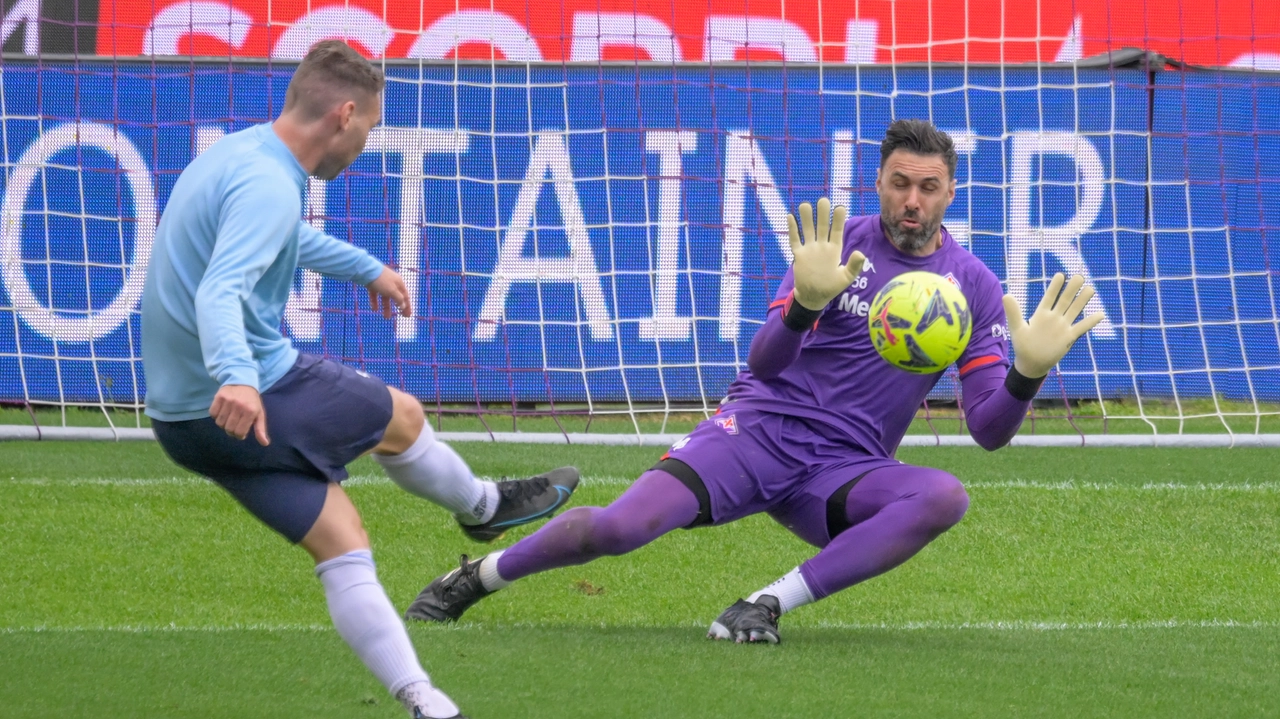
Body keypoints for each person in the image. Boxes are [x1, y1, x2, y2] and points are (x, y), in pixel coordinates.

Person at [403, 119, 1102, 644]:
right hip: (758, 430)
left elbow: (987, 430)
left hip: (843, 469)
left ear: (951, 190)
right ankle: (478, 575)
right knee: (620, 528)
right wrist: (804, 303)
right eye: (898, 182)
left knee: (944, 495)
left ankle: (764, 604)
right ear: (880, 182)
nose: (911, 199)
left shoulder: (973, 286)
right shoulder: (840, 245)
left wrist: (1026, 374)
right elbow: (764, 362)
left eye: (927, 186)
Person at [140, 40, 578, 718]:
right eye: (370, 128)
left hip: (182, 422)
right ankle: (486, 506)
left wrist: (362, 265)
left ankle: (424, 699)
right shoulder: (268, 183)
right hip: (244, 396)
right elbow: (220, 291)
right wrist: (239, 377)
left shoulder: (241, 155)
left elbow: (281, 237)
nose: (366, 143)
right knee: (399, 416)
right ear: (344, 115)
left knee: (343, 541)